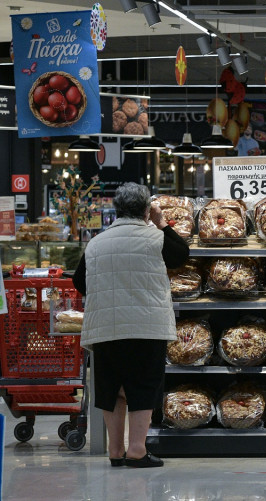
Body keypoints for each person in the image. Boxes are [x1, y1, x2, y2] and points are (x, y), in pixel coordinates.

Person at [72, 183, 190, 468]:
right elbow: (181, 255)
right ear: (146, 209)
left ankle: (115, 450)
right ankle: (137, 450)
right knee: (143, 386)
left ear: (117, 209)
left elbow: (79, 281)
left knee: (112, 388)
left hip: (105, 327)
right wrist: (162, 222)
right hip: (145, 326)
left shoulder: (97, 242)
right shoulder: (155, 238)